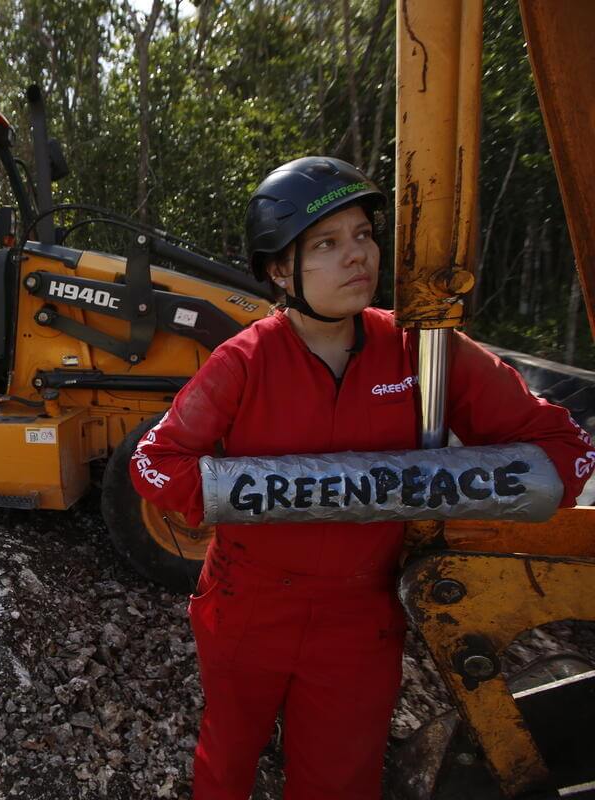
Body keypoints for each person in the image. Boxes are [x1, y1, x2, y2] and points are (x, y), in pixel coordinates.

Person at [129, 156, 594, 799]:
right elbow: (155, 461)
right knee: (228, 759)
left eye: (363, 235)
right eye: (326, 243)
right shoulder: (244, 361)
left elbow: (564, 448)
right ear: (279, 270)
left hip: (360, 615)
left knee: (341, 779)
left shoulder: (420, 349)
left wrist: (462, 488)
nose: (357, 257)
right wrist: (243, 494)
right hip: (248, 606)